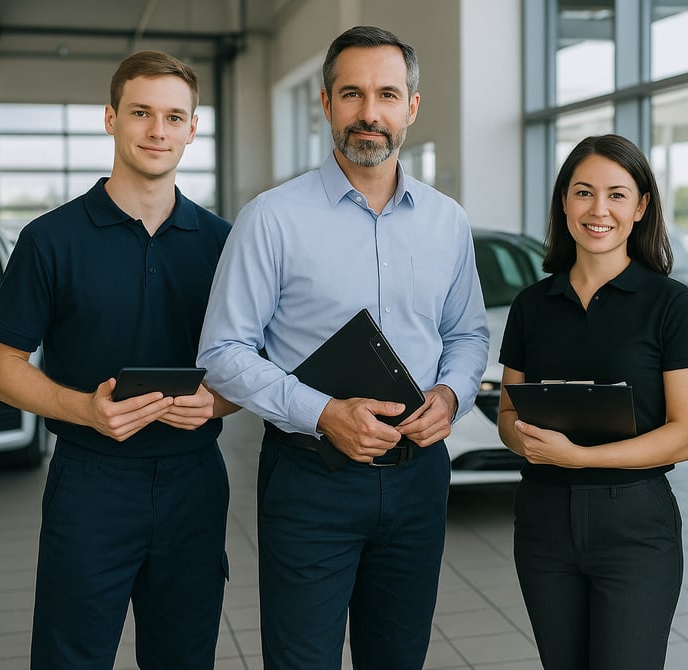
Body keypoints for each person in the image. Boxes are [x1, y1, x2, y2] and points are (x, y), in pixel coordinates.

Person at [196, 25, 489, 670]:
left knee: (399, 657)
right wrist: (324, 413)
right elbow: (224, 351)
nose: (369, 113)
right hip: (310, 480)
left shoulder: (447, 221)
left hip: (417, 479)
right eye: (351, 94)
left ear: (412, 105)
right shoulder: (271, 219)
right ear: (326, 105)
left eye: (387, 94)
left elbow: (467, 334)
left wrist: (451, 394)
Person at [0, 51, 235, 669]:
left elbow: (255, 363)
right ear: (110, 118)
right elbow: (0, 368)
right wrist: (85, 411)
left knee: (185, 657)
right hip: (91, 480)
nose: (157, 130)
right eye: (142, 113)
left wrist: (221, 400)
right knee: (72, 657)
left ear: (193, 128)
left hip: (193, 480)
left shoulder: (226, 243)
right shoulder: (50, 239)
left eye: (175, 117)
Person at [497, 134, 688, 670]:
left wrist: (582, 457)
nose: (599, 210)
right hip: (543, 521)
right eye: (583, 192)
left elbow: (685, 436)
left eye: (617, 195)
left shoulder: (671, 304)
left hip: (635, 522)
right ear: (564, 202)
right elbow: (506, 413)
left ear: (640, 207)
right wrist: (522, 436)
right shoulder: (531, 305)